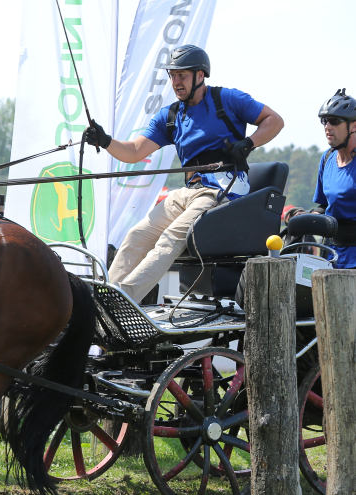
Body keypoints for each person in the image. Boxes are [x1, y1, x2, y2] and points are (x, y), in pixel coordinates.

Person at [85, 45, 284, 302]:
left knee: (169, 240)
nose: (175, 82)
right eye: (172, 75)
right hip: (188, 192)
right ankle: (102, 298)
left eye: (182, 75)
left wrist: (248, 143)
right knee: (136, 236)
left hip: (222, 190)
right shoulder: (170, 116)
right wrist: (106, 140)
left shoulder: (228, 100)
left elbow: (274, 120)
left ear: (200, 76)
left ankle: (122, 300)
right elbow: (134, 151)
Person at [301, 89, 356, 268]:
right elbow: (324, 206)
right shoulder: (327, 158)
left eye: (334, 121)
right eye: (324, 121)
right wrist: (308, 217)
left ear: (354, 125)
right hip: (332, 254)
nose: (327, 127)